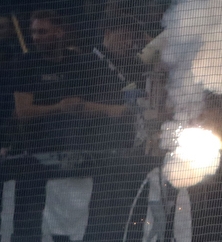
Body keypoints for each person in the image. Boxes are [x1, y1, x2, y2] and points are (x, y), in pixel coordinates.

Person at [12, 9, 133, 153]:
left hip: (81, 126)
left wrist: (112, 110)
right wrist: (58, 107)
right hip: (44, 134)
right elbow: (22, 111)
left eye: (42, 32)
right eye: (34, 32)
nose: (36, 37)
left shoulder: (75, 60)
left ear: (58, 32)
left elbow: (82, 104)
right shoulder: (27, 64)